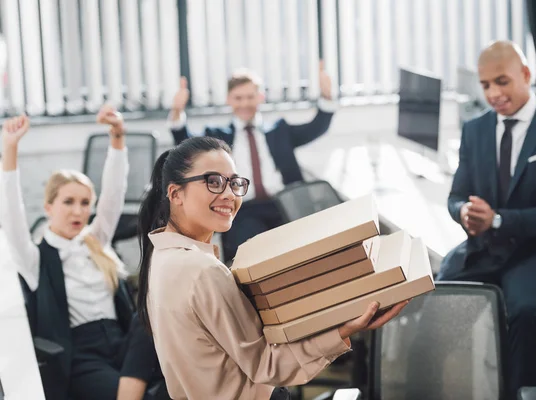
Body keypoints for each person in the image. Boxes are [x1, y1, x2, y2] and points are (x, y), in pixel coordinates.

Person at [136, 136, 408, 400]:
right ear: (175, 193)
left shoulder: (159, 257)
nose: (229, 195)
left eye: (234, 183)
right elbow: (267, 366)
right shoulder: (202, 271)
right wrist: (345, 330)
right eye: (214, 182)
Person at [439, 41, 536, 398]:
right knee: (437, 294)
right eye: (486, 84)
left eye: (502, 82)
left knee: (522, 310)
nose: (493, 93)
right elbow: (456, 195)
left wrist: (497, 220)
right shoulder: (475, 131)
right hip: (486, 246)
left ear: (525, 75)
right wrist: (463, 213)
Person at [0, 108, 163, 400]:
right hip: (82, 357)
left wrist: (117, 138)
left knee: (150, 317)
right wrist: (10, 149)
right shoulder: (35, 258)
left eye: (85, 203)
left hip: (123, 341)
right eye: (68, 202)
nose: (78, 211)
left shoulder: (95, 241)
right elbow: (11, 212)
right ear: (48, 207)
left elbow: (114, 195)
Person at [168, 63, 337, 261]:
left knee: (301, 255)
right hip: (243, 210)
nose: (245, 103)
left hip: (284, 204)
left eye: (250, 97)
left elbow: (316, 128)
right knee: (254, 256)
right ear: (229, 100)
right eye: (238, 98)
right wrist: (177, 111)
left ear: (260, 97)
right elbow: (185, 143)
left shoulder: (279, 130)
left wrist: (326, 96)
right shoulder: (216, 137)